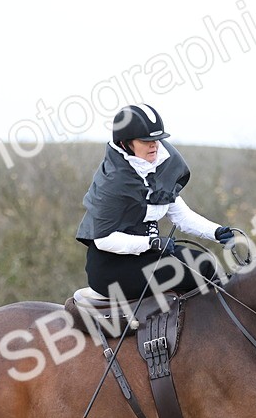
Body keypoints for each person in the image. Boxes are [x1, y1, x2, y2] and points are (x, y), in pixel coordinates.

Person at [75, 104, 234, 298]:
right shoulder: (112, 184)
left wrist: (216, 232)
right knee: (198, 268)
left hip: (148, 254)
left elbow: (180, 214)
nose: (154, 145)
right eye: (145, 140)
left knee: (206, 263)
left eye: (157, 139)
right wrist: (152, 242)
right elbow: (103, 240)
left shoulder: (158, 166)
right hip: (112, 267)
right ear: (125, 144)